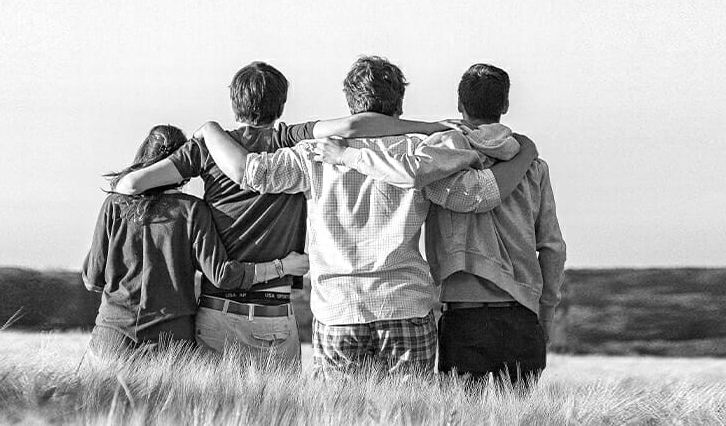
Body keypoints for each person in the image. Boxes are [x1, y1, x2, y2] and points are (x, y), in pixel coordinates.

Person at [197, 55, 536, 376]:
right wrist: (524, 155)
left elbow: (251, 173)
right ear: (399, 103)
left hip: (337, 310)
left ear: (351, 102)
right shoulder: (420, 151)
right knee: (409, 417)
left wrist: (209, 130)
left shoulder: (315, 153)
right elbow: (475, 196)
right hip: (404, 305)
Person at [109, 61, 436, 364]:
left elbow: (131, 184)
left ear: (234, 102)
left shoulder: (207, 147)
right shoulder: (291, 139)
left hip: (217, 309)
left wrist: (201, 144)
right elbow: (352, 126)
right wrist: (431, 126)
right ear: (281, 105)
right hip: (275, 314)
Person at [322, 64, 565, 386]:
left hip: (464, 314)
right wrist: (545, 313)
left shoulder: (440, 159)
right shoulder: (534, 167)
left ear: (460, 104)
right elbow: (551, 247)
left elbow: (410, 174)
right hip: (521, 314)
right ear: (505, 105)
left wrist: (349, 155)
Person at [82, 124, 308, 357]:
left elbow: (92, 279)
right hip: (170, 341)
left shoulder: (114, 205)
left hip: (112, 336)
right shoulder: (192, 211)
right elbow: (223, 276)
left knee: (100, 395)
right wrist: (282, 267)